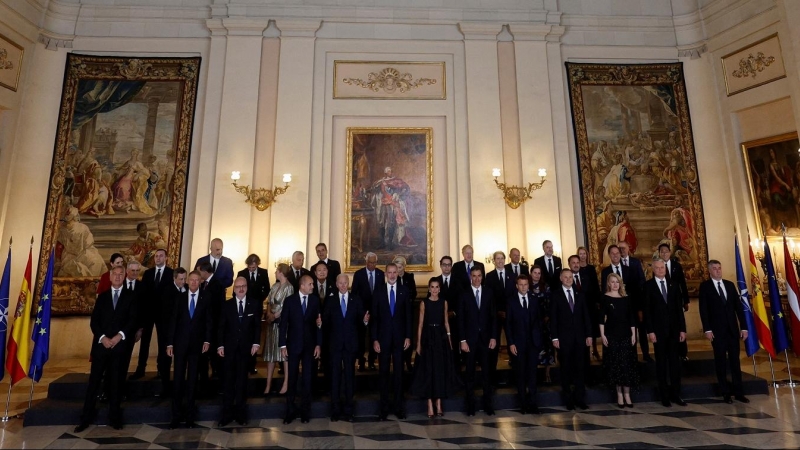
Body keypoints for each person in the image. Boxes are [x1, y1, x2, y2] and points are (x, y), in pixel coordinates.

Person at [75, 266, 137, 432]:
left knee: (116, 384)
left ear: (124, 276)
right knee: (94, 383)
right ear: (110, 277)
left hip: (119, 347)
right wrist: (103, 338)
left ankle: (114, 418)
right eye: (115, 274)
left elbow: (132, 321)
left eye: (120, 275)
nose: (117, 277)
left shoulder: (131, 296)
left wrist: (118, 337)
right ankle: (85, 419)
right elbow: (94, 322)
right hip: (102, 347)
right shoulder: (102, 298)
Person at [699, 260, 749, 404]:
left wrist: (744, 327)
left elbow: (738, 308)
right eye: (714, 269)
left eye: (719, 268)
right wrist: (707, 329)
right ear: (710, 271)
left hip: (732, 331)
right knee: (720, 362)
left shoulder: (729, 285)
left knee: (735, 362)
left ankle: (739, 392)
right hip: (717, 332)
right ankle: (725, 393)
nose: (718, 271)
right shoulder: (705, 287)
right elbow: (703, 310)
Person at [166, 270, 212, 429]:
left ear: (200, 281)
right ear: (188, 281)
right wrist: (169, 343)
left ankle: (190, 417)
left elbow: (208, 321)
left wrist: (207, 340)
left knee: (192, 380)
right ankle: (175, 417)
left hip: (197, 346)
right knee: (178, 380)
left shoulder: (206, 298)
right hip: (179, 345)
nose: (193, 282)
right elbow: (173, 321)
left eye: (196, 280)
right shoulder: (180, 297)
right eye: (190, 280)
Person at [217, 277, 262, 426]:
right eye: (238, 287)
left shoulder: (254, 304)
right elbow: (221, 327)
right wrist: (220, 345)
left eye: (243, 286)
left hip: (245, 349)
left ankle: (241, 415)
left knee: (242, 382)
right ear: (234, 289)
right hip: (229, 349)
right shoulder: (226, 305)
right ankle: (227, 415)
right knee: (228, 382)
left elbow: (257, 326)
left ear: (247, 287)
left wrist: (256, 342)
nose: (241, 289)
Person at [324, 274, 370, 422]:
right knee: (335, 378)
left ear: (348, 284)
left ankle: (349, 411)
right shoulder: (330, 300)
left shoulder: (355, 299)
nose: (343, 285)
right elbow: (325, 322)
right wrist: (319, 323)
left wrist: (364, 321)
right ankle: (335, 410)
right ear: (336, 284)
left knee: (350, 378)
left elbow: (361, 321)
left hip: (350, 345)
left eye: (345, 283)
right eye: (341, 283)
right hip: (335, 345)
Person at [411, 278, 459, 418]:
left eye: (437, 287)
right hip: (428, 338)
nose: (434, 289)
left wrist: (449, 340)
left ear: (439, 288)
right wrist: (418, 344)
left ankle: (438, 403)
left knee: (439, 371)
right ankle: (429, 404)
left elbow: (446, 322)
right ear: (429, 288)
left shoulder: (443, 302)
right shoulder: (423, 303)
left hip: (440, 337)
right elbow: (420, 325)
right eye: (432, 287)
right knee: (428, 371)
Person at [371, 263, 412, 420]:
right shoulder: (378, 292)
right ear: (385, 274)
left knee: (399, 375)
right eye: (390, 272)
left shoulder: (404, 290)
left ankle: (399, 408)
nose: (393, 275)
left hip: (400, 339)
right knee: (383, 374)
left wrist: (408, 336)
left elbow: (409, 316)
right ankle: (384, 409)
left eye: (395, 272)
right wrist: (374, 339)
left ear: (398, 273)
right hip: (383, 339)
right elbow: (375, 318)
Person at [644, 259, 687, 407]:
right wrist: (650, 331)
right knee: (661, 364)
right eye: (657, 267)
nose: (661, 270)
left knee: (675, 364)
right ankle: (664, 396)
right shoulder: (648, 286)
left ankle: (676, 395)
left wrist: (683, 329)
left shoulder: (673, 285)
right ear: (653, 270)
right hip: (658, 332)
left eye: (662, 267)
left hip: (674, 330)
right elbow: (647, 311)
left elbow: (679, 310)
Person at [279, 274, 322, 424]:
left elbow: (318, 325)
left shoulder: (315, 301)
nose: (312, 286)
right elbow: (283, 324)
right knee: (291, 379)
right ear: (302, 285)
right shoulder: (290, 301)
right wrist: (282, 345)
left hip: (310, 346)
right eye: (310, 284)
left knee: (307, 379)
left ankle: (305, 412)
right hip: (293, 346)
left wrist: (318, 344)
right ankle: (290, 411)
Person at [550, 269, 593, 410]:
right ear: (561, 279)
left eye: (570, 277)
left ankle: (580, 399)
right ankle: (568, 400)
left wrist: (589, 335)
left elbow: (586, 316)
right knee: (566, 369)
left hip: (580, 338)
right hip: (564, 339)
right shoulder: (555, 295)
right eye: (566, 277)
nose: (568, 279)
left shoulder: (579, 295)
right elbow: (553, 318)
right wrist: (554, 337)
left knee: (580, 369)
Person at [458, 266, 498, 416]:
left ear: (482, 277)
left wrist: (494, 337)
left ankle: (488, 405)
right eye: (473, 276)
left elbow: (493, 317)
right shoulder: (464, 294)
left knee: (487, 374)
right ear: (470, 277)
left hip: (486, 340)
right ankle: (470, 406)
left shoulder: (489, 292)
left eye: (479, 276)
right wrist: (462, 340)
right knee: (469, 374)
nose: (476, 278)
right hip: (469, 341)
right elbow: (460, 320)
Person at [130, 248, 173, 381]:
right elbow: (143, 294)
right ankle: (140, 368)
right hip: (148, 313)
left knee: (163, 342)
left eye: (161, 256)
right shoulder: (148, 273)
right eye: (156, 256)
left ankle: (162, 370)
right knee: (145, 342)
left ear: (166, 258)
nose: (158, 258)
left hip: (164, 314)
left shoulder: (171, 273)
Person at [602, 245, 650, 362]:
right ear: (609, 255)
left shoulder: (630, 269)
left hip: (631, 306)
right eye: (612, 253)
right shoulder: (605, 272)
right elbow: (604, 291)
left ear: (620, 254)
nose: (615, 255)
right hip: (615, 310)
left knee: (640, 331)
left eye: (617, 253)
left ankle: (645, 355)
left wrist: (639, 308)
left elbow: (637, 290)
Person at [505, 274, 543, 414]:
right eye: (520, 285)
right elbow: (508, 324)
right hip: (518, 343)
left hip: (532, 343)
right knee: (520, 374)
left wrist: (538, 341)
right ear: (517, 286)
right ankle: (523, 404)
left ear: (528, 285)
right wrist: (511, 343)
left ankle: (533, 403)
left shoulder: (534, 299)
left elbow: (539, 321)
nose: (523, 287)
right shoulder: (511, 301)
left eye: (525, 285)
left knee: (533, 374)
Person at [599, 273, 637, 408]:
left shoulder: (626, 298)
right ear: (609, 283)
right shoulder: (605, 298)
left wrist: (634, 334)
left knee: (626, 364)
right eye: (613, 282)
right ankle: (619, 394)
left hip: (626, 334)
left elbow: (632, 317)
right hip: (612, 335)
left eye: (617, 282)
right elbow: (601, 318)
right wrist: (602, 335)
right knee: (616, 364)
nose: (615, 284)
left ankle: (627, 394)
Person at [263, 263, 293, 395]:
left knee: (284, 354)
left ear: (281, 272)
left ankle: (286, 382)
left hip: (282, 323)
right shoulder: (275, 285)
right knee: (270, 353)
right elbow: (269, 301)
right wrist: (269, 314)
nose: (275, 273)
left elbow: (287, 306)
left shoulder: (289, 287)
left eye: (276, 271)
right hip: (271, 322)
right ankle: (268, 384)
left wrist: (275, 315)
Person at [238, 253, 271, 374]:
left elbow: (267, 288)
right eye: (250, 267)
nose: (251, 269)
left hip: (257, 307)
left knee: (255, 335)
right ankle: (243, 364)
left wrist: (259, 300)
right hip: (245, 308)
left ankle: (252, 365)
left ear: (257, 264)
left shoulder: (263, 272)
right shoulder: (242, 273)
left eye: (253, 267)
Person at [485, 251, 516, 378]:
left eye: (502, 258)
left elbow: (514, 295)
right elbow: (489, 297)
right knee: (494, 343)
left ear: (505, 259)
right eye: (497, 259)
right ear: (493, 261)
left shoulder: (512, 275)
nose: (500, 261)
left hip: (510, 314)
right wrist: (497, 311)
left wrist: (508, 312)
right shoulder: (489, 276)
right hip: (495, 315)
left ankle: (515, 369)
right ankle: (492, 372)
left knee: (512, 341)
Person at [351, 252, 384, 371]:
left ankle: (371, 361)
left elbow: (381, 293)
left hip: (376, 311)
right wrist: (359, 311)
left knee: (373, 336)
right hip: (361, 311)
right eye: (371, 262)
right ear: (366, 262)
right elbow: (354, 294)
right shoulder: (359, 274)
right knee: (361, 337)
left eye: (375, 262)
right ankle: (360, 360)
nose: (373, 264)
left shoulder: (380, 274)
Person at [157, 267, 186, 398]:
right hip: (167, 331)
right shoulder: (167, 291)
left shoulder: (186, 290)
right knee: (165, 359)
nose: (183, 281)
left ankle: (179, 387)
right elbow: (165, 314)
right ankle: (165, 387)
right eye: (181, 279)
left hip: (182, 332)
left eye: (185, 279)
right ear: (174, 278)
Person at [659, 243, 690, 360]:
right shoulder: (658, 266)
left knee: (680, 327)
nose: (664, 253)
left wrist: (686, 300)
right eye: (662, 251)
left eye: (666, 251)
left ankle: (683, 353)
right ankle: (668, 352)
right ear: (659, 253)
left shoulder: (677, 265)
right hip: (664, 302)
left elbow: (683, 283)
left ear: (669, 252)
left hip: (676, 301)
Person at [198, 261, 226, 383]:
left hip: (214, 323)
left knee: (214, 352)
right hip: (206, 324)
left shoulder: (216, 284)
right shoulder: (205, 284)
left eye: (199, 272)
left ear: (204, 271)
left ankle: (216, 374)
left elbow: (217, 306)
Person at [575, 250, 601, 360]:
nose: (582, 255)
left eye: (584, 253)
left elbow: (595, 285)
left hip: (591, 302)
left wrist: (598, 300)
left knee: (593, 326)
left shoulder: (591, 268)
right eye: (580, 253)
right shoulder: (575, 269)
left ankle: (595, 349)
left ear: (587, 255)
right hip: (579, 302)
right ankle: (586, 351)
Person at [434, 256, 460, 371]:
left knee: (454, 349)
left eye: (449, 265)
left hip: (454, 322)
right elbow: (431, 301)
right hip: (439, 322)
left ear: (451, 266)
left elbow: (462, 302)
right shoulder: (435, 281)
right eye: (444, 264)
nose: (446, 267)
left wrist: (454, 313)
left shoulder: (458, 281)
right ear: (440, 265)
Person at [530, 266, 554, 382]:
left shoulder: (545, 286)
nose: (537, 275)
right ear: (531, 273)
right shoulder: (526, 286)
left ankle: (547, 373)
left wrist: (548, 316)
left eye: (539, 273)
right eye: (535, 273)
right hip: (531, 322)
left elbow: (550, 303)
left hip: (545, 322)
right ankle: (533, 374)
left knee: (547, 347)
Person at [394, 255, 417, 372]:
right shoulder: (393, 279)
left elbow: (414, 293)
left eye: (400, 267)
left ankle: (408, 361)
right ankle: (400, 361)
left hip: (408, 312)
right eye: (397, 267)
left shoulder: (409, 277)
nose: (399, 269)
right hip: (397, 313)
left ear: (404, 267)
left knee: (408, 337)